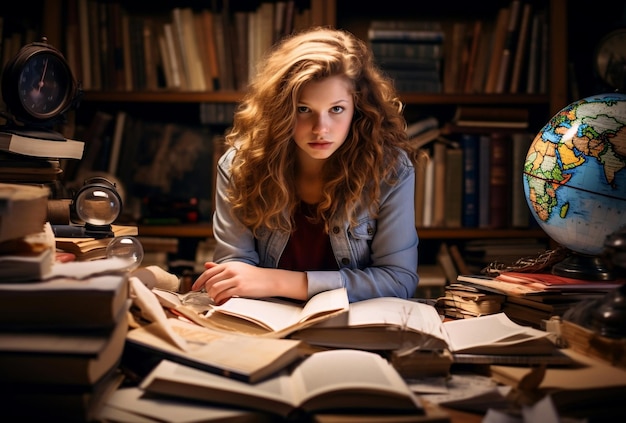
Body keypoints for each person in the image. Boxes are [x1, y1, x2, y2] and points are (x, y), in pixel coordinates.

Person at [192, 26, 420, 304]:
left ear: (357, 108)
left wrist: (280, 281)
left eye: (336, 109)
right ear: (281, 110)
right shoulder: (240, 166)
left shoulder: (390, 169)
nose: (320, 129)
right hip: (265, 324)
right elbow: (234, 273)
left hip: (355, 328)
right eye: (303, 109)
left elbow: (398, 279)